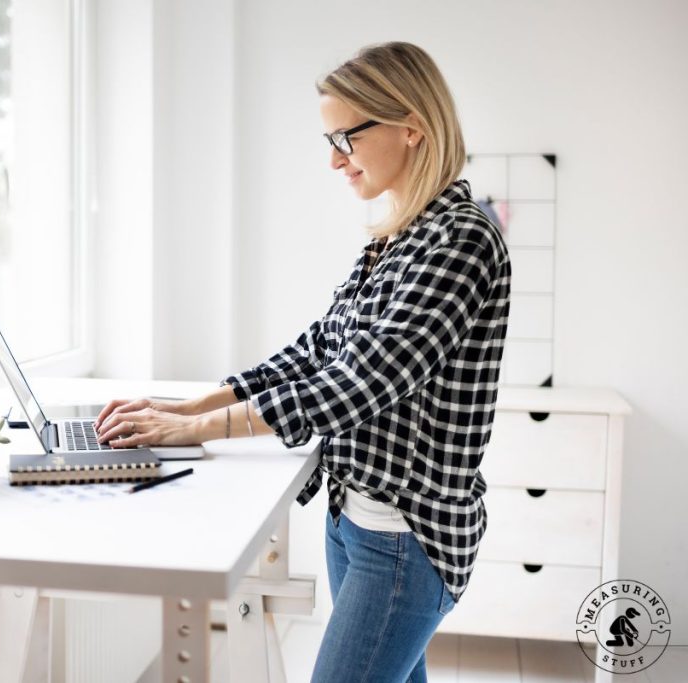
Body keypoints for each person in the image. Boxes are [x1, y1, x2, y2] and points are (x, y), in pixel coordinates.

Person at [94, 41, 511, 683]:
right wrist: (191, 406)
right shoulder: (396, 238)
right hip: (356, 522)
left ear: (411, 127)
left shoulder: (460, 239)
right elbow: (317, 348)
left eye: (345, 137)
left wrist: (195, 432)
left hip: (406, 537)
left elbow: (360, 382)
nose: (334, 160)